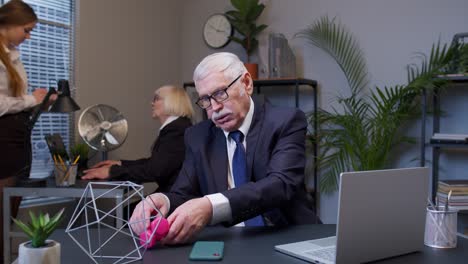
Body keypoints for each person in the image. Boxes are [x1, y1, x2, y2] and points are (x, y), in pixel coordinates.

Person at [130, 52, 320, 245]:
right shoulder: (197, 136)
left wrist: (211, 206)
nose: (215, 108)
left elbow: (280, 184)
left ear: (246, 83)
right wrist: (163, 199)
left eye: (220, 93)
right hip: (227, 242)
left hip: (287, 237)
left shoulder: (285, 121)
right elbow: (183, 193)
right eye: (205, 99)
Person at [0, 0, 56, 260]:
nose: (29, 36)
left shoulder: (12, 56)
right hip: (4, 142)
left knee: (9, 212)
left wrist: (41, 102)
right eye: (26, 29)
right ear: (9, 25)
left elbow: (17, 103)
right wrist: (33, 99)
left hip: (18, 140)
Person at [82, 85, 194, 192]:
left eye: (156, 99)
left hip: (174, 197)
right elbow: (156, 163)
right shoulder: (178, 128)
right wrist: (121, 164)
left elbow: (155, 171)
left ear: (172, 101)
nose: (152, 103)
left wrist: (112, 171)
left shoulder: (176, 131)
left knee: (126, 211)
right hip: (171, 192)